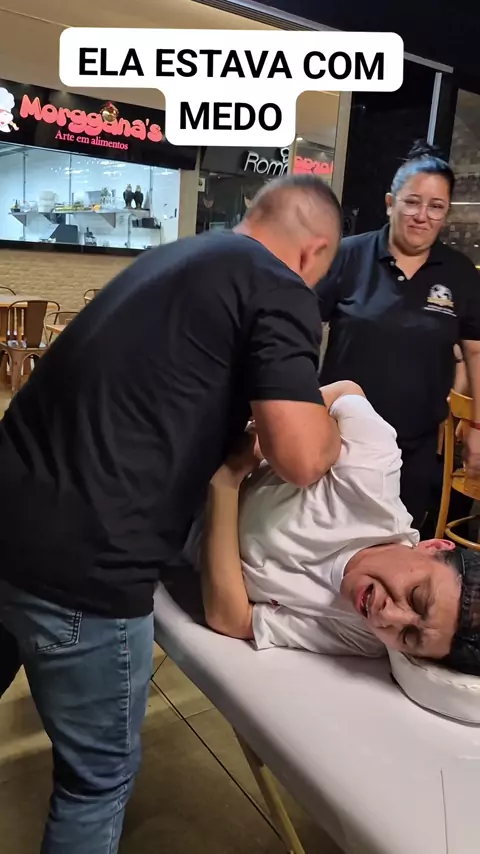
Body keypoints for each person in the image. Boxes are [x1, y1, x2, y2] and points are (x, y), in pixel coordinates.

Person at [0, 173, 342, 854]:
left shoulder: (173, 258)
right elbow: (301, 456)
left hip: (10, 513)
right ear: (314, 252)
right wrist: (333, 418)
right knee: (97, 779)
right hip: (85, 565)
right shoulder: (277, 285)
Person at [200, 381, 473, 667]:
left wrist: (227, 481)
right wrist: (268, 434)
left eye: (408, 636)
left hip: (178, 533)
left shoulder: (364, 636)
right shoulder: (370, 477)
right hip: (200, 442)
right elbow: (347, 392)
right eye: (416, 596)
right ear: (434, 546)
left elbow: (234, 619)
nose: (386, 617)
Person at [316, 141, 480, 530]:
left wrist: (477, 428)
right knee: (326, 541)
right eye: (412, 202)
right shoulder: (347, 256)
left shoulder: (459, 272)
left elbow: (476, 353)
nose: (422, 216)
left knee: (395, 545)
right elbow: (299, 330)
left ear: (445, 213)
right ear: (390, 203)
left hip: (414, 450)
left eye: (436, 206)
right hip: (339, 440)